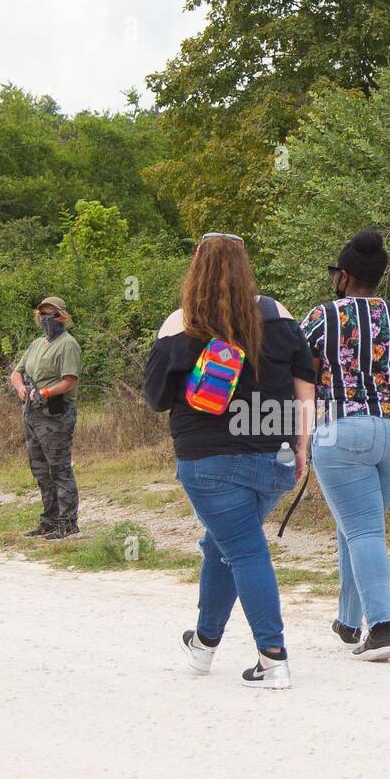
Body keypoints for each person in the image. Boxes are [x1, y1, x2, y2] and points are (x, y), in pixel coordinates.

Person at [144, 232, 316, 690]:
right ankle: (203, 645)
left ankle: (273, 657)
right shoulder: (278, 316)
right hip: (275, 456)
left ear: (196, 266)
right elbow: (305, 384)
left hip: (209, 462)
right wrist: (303, 446)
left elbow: (157, 398)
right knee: (221, 546)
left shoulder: (181, 324)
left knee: (242, 549)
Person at [300, 230, 390, 661]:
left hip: (342, 430)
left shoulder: (321, 317)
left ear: (345, 275)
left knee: (363, 528)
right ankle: (349, 620)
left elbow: (306, 372)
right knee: (357, 524)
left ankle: (382, 629)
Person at [11, 296, 82, 541]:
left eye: (52, 314)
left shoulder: (68, 344)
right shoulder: (35, 344)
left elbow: (69, 380)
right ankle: (50, 521)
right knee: (40, 470)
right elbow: (17, 373)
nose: (47, 319)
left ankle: (69, 525)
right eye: (43, 314)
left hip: (56, 414)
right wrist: (21, 388)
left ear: (62, 316)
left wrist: (45, 392)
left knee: (59, 469)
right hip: (32, 414)